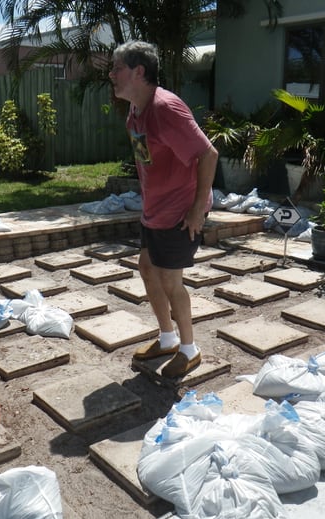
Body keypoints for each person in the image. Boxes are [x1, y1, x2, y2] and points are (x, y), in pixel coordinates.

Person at [109, 40, 218, 378]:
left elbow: (208, 154)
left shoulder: (166, 108)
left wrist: (198, 209)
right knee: (147, 268)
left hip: (179, 212)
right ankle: (167, 338)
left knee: (171, 280)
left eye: (117, 68)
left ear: (138, 71)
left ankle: (189, 349)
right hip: (154, 210)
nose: (111, 75)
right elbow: (148, 160)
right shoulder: (136, 111)